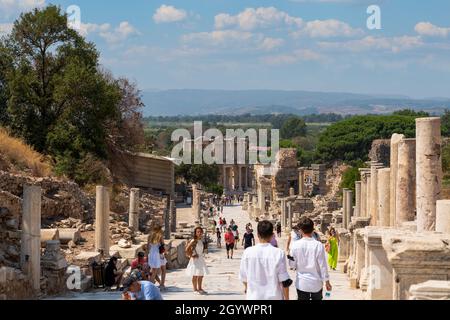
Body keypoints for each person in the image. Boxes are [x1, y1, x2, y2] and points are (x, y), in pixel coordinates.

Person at [239, 221, 292, 300]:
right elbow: (284, 281)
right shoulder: (278, 253)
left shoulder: (247, 252)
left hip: (254, 297)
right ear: (271, 235)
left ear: (257, 235)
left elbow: (243, 277)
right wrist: (287, 298)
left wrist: (248, 289)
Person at [289, 217, 332, 301]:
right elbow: (323, 266)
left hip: (302, 283)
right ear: (313, 230)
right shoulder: (318, 245)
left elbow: (292, 265)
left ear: (300, 230)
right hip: (316, 284)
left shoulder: (295, 245)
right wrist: (327, 281)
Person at [186, 227, 209, 295]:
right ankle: (195, 289)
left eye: (200, 232)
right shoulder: (193, 240)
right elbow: (187, 249)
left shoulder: (200, 240)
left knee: (201, 274)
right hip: (195, 260)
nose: (199, 233)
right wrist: (192, 256)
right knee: (195, 274)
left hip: (200, 259)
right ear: (195, 233)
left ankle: (200, 288)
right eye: (198, 232)